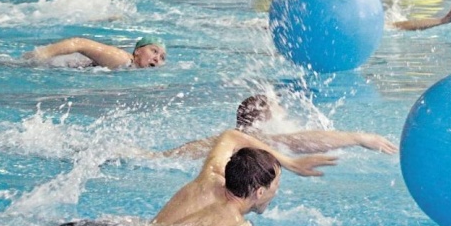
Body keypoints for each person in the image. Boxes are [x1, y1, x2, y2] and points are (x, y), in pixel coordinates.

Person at [45, 129, 337, 226]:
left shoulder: (209, 177)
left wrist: (288, 161)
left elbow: (231, 135)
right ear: (259, 192)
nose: (276, 193)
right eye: (276, 186)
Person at [160, 94, 398, 159]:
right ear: (263, 118)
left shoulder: (228, 139)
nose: (286, 115)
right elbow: (294, 142)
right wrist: (358, 138)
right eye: (279, 110)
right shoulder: (253, 138)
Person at [23, 35, 166, 69]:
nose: (157, 58)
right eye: (154, 51)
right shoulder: (121, 59)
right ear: (138, 51)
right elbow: (79, 43)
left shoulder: (130, 66)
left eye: (162, 57)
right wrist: (42, 54)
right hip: (46, 63)